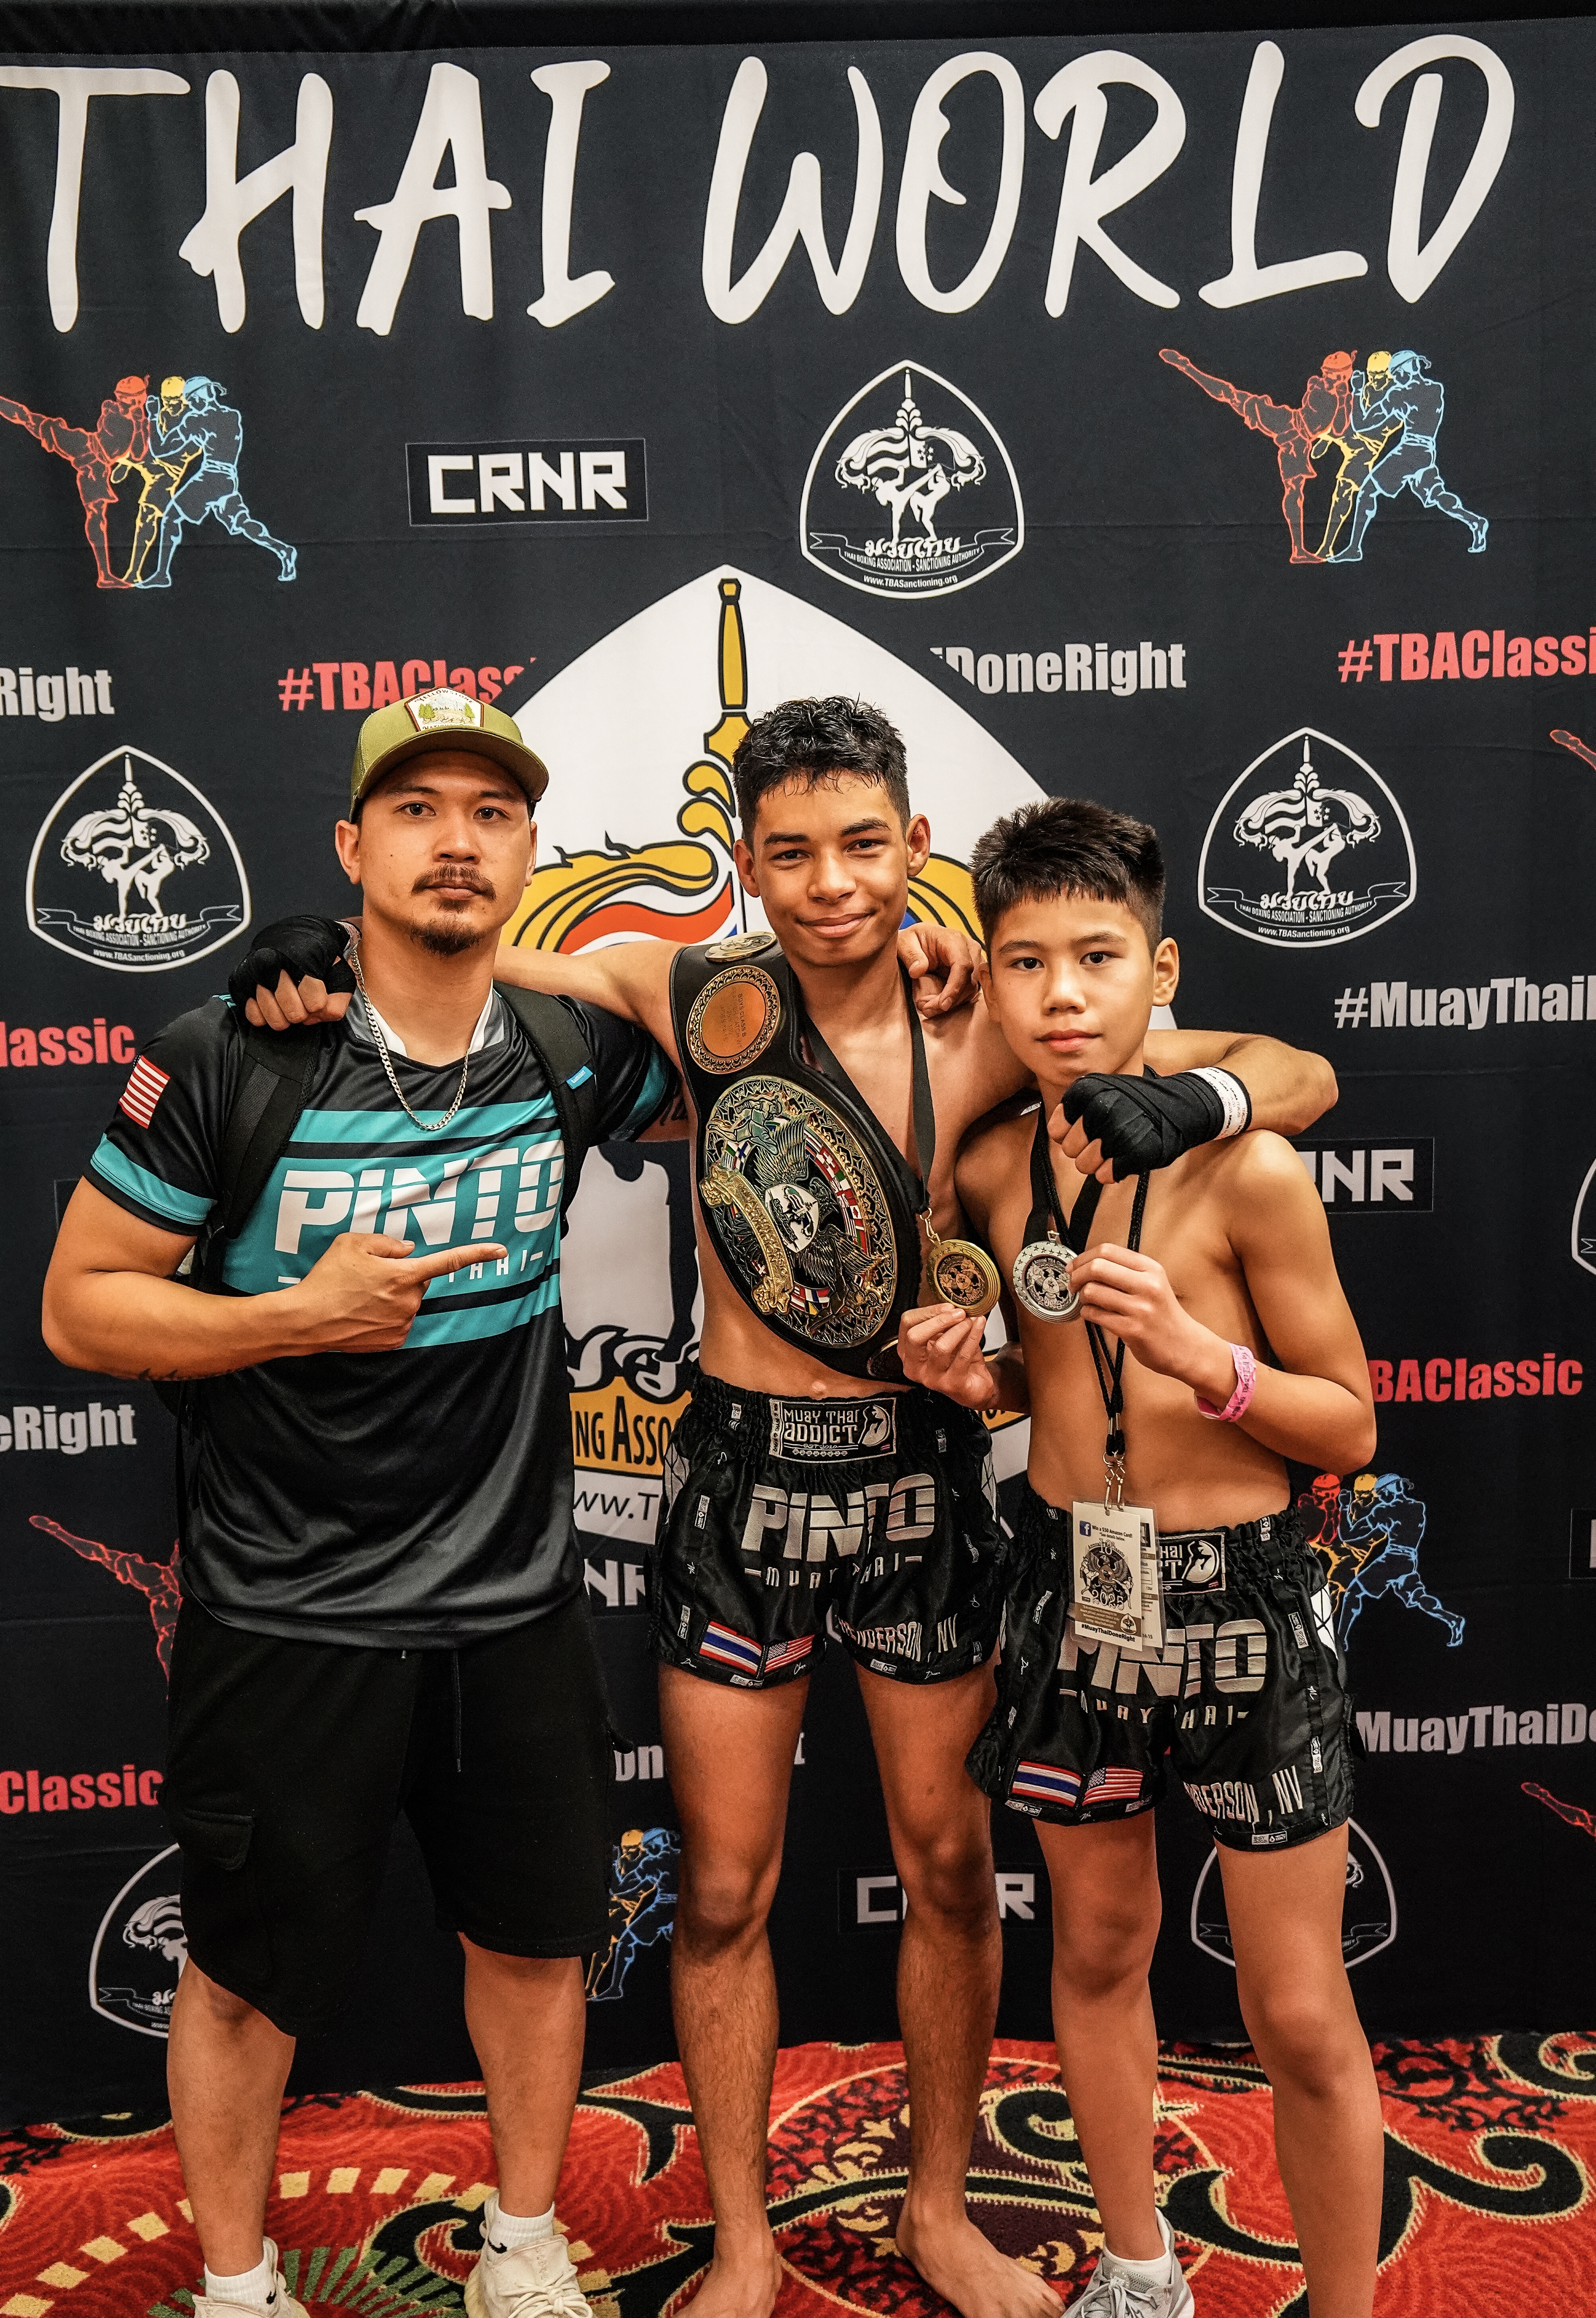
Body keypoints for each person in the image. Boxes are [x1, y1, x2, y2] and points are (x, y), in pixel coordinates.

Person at [239, 696, 1336, 2318]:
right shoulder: (689, 992)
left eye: (866, 845)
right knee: (722, 1887)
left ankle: (938, 2210)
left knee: (949, 1868)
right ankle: (746, 2239)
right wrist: (311, 952)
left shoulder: (988, 1025)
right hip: (737, 1480)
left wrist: (1203, 1105)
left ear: (916, 845)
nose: (833, 882)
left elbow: (1298, 1069)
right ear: (745, 861)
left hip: (919, 1481)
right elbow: (460, 950)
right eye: (795, 851)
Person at [42, 687, 682, 2318]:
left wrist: (931, 962)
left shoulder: (566, 1051)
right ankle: (239, 2282)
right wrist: (293, 1315)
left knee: (534, 1948)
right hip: (285, 1611)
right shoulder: (228, 1052)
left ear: (529, 850)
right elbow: (81, 1309)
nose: (456, 840)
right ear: (348, 843)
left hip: (511, 1603)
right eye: (415, 808)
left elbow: (756, 1049)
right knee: (241, 1978)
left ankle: (521, 2245)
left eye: (490, 812)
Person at [897, 795, 1382, 2318]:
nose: (1061, 993)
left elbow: (1349, 1422)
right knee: (1098, 1951)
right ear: (988, 973)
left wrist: (1201, 1357)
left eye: (1096, 955)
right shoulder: (992, 1168)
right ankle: (1136, 2268)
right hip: (1068, 1587)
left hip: (1244, 1593)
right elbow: (1028, 1376)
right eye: (1025, 959)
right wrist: (966, 1375)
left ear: (1160, 969)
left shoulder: (1250, 1168)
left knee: (1294, 2005)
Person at [1158, 347, 1354, 564]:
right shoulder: (1316, 384)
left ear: (1342, 377)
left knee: (1295, 492)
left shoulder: (1341, 396)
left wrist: (1343, 396)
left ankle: (1298, 550)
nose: (1326, 378)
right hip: (1287, 423)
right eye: (1326, 373)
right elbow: (1320, 418)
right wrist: (1337, 390)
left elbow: (1339, 429)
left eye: (1332, 375)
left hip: (1298, 441)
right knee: (1232, 396)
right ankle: (1187, 367)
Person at [1331, 349, 1487, 562]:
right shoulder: (1436, 389)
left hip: (1409, 452)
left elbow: (1361, 425)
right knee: (1437, 495)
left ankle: (1354, 549)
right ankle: (1475, 521)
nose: (1395, 379)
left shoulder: (1399, 395)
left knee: (1367, 492)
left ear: (1404, 372)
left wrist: (1358, 391)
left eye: (1396, 375)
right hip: (1427, 453)